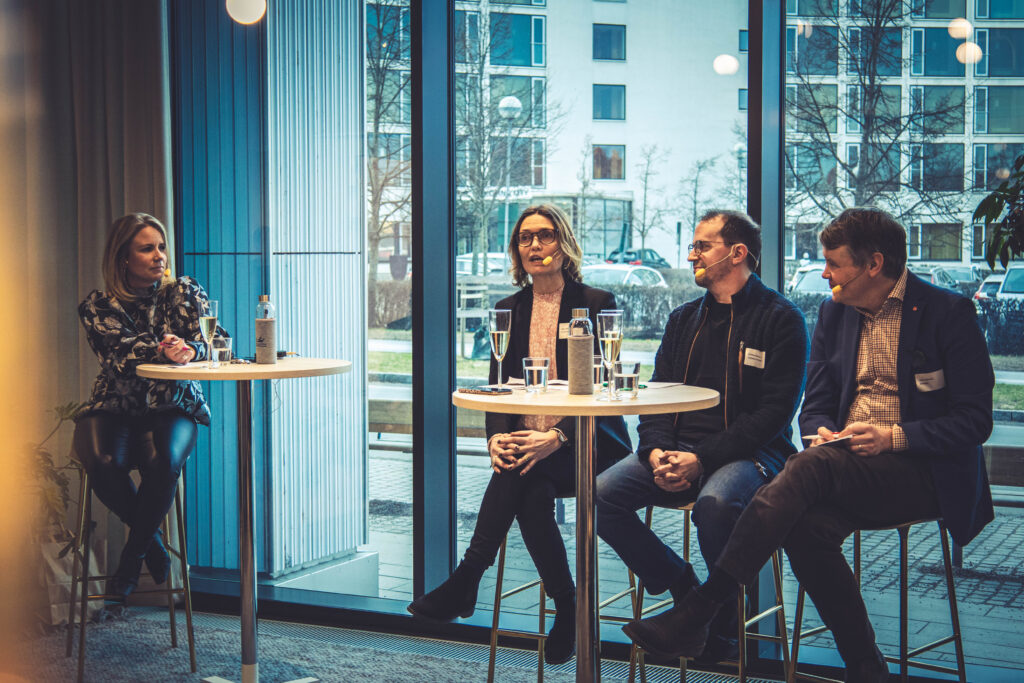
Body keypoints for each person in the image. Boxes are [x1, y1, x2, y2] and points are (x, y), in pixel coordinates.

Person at [623, 208, 995, 682]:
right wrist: (821, 432)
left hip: (924, 472)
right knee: (803, 527)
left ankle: (701, 607)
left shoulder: (947, 313)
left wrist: (891, 437)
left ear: (873, 264)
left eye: (834, 264)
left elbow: (975, 421)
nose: (824, 273)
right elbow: (814, 405)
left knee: (808, 467)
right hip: (848, 465)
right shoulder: (834, 313)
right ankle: (866, 667)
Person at [408, 204, 632, 664]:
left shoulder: (595, 302)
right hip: (530, 448)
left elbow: (606, 390)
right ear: (516, 250)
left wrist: (558, 437)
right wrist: (495, 438)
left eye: (544, 235)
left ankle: (469, 580)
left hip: (586, 445)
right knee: (527, 487)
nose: (534, 245)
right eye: (525, 238)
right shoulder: (508, 309)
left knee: (522, 478)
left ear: (563, 244)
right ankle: (566, 604)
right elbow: (498, 388)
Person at [595, 210, 808, 663]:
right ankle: (687, 591)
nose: (692, 254)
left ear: (737, 252)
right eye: (693, 246)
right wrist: (655, 450)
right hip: (676, 449)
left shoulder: (781, 319)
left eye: (702, 246)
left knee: (715, 505)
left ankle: (722, 624)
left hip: (753, 454)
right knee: (599, 495)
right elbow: (657, 395)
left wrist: (701, 459)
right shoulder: (683, 320)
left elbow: (772, 416)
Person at [73, 213, 218, 600]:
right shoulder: (98, 306)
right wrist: (161, 349)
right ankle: (151, 545)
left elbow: (216, 340)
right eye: (147, 248)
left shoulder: (182, 292)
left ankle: (130, 563)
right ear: (123, 257)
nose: (159, 256)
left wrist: (190, 349)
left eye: (161, 246)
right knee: (102, 460)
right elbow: (118, 356)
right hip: (115, 403)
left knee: (164, 462)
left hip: (173, 401)